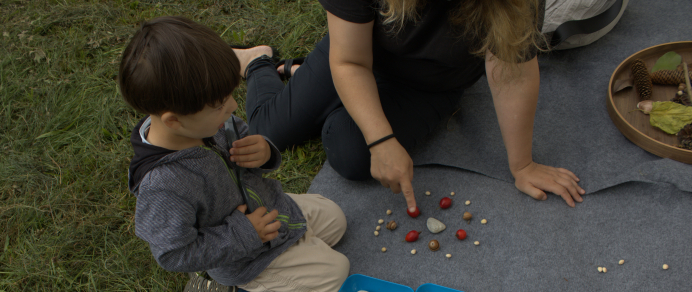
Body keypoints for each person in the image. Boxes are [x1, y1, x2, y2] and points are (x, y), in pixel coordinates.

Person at [234, 0, 586, 211]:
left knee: (350, 150)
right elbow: (350, 61)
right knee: (267, 132)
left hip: (432, 83)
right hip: (359, 57)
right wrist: (383, 140)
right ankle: (258, 62)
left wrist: (522, 164)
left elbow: (513, 70)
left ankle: (317, 85)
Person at [118, 16, 349, 292]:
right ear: (174, 121)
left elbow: (246, 148)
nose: (232, 107)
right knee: (336, 276)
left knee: (337, 220)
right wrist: (244, 234)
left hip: (274, 209)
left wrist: (264, 152)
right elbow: (174, 254)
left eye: (229, 95)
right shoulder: (163, 186)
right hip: (246, 256)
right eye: (219, 104)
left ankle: (298, 252)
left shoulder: (202, 122)